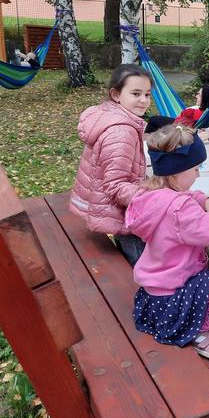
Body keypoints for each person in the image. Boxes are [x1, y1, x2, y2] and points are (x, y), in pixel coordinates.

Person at [126, 124, 209, 360]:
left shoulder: (150, 193)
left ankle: (195, 323)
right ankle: (200, 331)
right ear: (177, 170)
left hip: (156, 293)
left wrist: (204, 201)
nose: (198, 174)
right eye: (196, 168)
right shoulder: (180, 210)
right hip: (175, 297)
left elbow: (181, 198)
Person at [69, 64, 153, 266]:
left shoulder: (111, 116)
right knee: (141, 262)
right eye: (136, 94)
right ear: (116, 94)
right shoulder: (121, 132)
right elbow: (115, 185)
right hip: (120, 213)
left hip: (107, 205)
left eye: (147, 94)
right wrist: (153, 196)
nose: (144, 100)